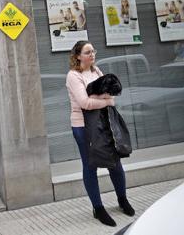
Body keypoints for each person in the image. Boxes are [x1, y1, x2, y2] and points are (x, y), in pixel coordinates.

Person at [65, 41, 134, 227]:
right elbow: (84, 103)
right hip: (82, 127)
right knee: (90, 166)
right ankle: (98, 208)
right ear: (78, 56)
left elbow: (111, 94)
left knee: (115, 162)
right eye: (88, 52)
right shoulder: (73, 76)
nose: (92, 54)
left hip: (103, 123)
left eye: (93, 51)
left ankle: (122, 199)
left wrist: (98, 98)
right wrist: (104, 100)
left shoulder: (97, 71)